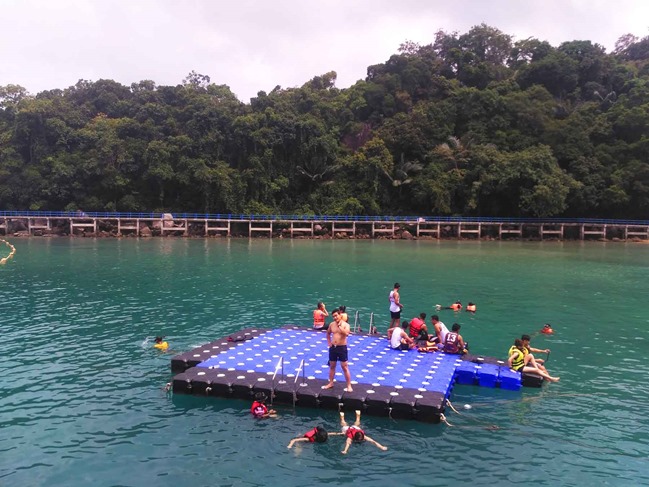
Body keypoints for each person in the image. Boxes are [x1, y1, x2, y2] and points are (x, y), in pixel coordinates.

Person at [322, 309, 353, 392]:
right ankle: (331, 383)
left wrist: (339, 326)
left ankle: (349, 385)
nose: (335, 318)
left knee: (344, 367)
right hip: (333, 348)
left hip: (342, 347)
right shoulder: (332, 325)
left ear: (340, 315)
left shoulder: (346, 325)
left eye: (336, 315)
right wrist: (329, 342)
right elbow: (328, 333)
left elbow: (346, 333)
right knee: (332, 366)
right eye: (333, 316)